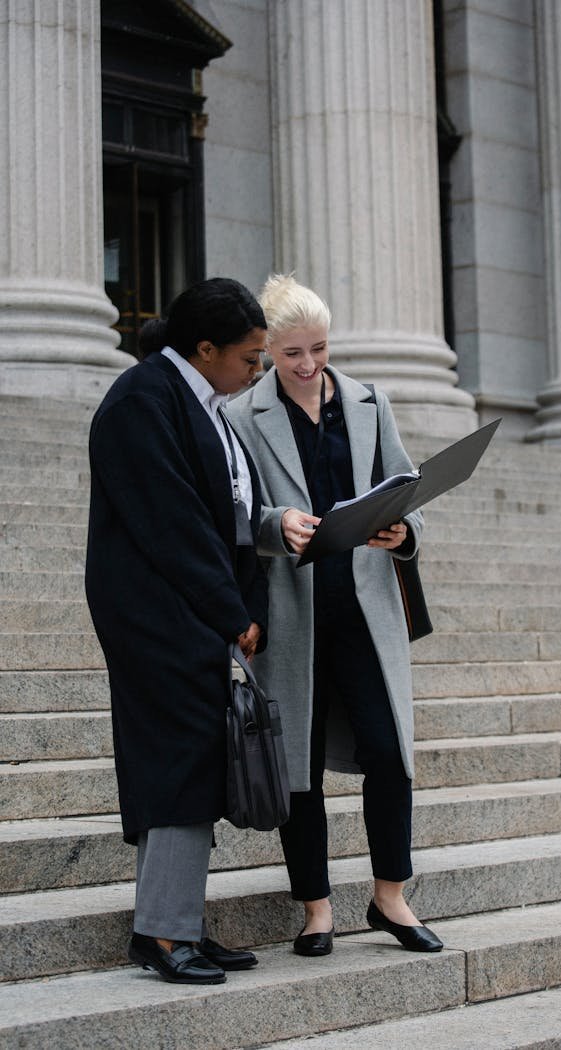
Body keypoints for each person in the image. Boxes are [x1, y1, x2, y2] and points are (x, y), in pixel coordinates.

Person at [227, 274, 442, 956]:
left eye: (318, 348)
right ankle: (316, 909)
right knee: (301, 766)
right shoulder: (242, 415)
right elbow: (231, 514)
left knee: (390, 752)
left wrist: (402, 534)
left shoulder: (369, 403)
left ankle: (390, 898)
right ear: (268, 350)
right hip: (293, 616)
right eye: (291, 352)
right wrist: (273, 524)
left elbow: (407, 492)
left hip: (366, 610)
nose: (308, 364)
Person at [85, 277, 269, 985]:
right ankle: (165, 934)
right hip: (155, 611)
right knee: (180, 758)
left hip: (188, 607)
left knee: (189, 758)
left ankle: (174, 923)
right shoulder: (141, 399)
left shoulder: (204, 404)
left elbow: (228, 510)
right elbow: (174, 525)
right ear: (205, 348)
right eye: (250, 358)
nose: (256, 371)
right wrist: (232, 611)